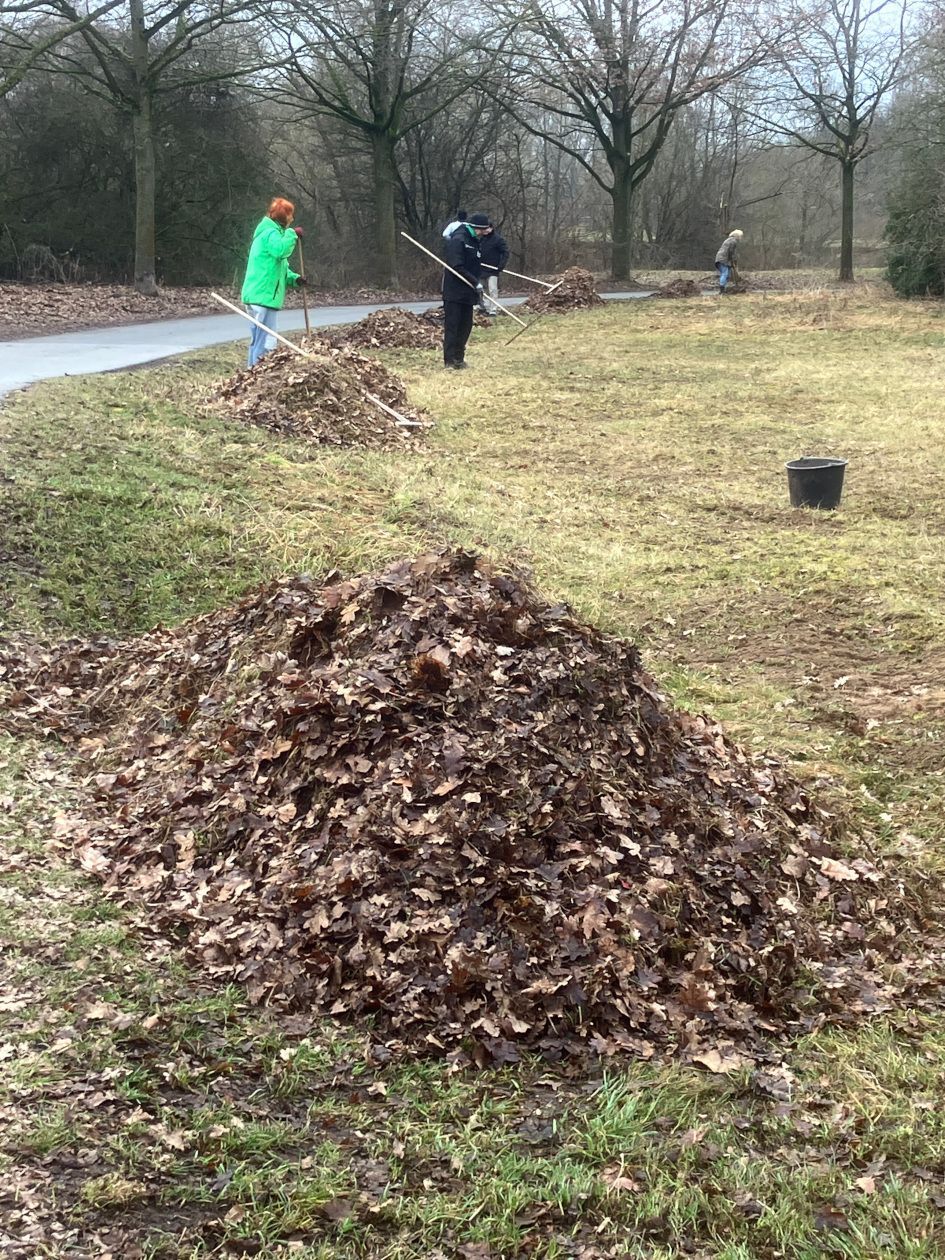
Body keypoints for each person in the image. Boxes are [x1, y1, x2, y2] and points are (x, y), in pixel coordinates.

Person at [240, 197, 307, 367]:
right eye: (290, 216)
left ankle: (251, 372)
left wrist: (295, 279)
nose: (291, 220)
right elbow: (280, 251)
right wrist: (292, 234)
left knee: (258, 339)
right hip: (263, 297)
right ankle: (257, 375)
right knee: (266, 341)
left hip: (260, 295)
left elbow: (279, 268)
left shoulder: (269, 234)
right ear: (284, 218)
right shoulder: (271, 234)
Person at [442, 211, 490, 369]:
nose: (485, 234)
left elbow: (473, 262)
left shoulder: (475, 240)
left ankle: (459, 358)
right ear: (477, 228)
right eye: (483, 231)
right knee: (453, 326)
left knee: (466, 326)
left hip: (468, 292)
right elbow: (457, 266)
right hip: (454, 291)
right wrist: (476, 282)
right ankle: (449, 361)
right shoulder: (459, 239)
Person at [478, 221, 509, 315]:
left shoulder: (498, 239)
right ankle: (483, 307)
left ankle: (493, 310)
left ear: (491, 228)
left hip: (493, 269)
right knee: (480, 289)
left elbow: (505, 253)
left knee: (492, 290)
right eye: (484, 229)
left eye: (487, 228)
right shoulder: (481, 240)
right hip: (481, 268)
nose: (485, 231)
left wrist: (501, 265)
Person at [715, 229, 743, 294]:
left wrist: (732, 261)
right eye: (740, 236)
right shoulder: (733, 241)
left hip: (721, 258)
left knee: (728, 275)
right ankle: (722, 290)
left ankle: (723, 289)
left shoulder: (729, 240)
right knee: (725, 273)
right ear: (737, 236)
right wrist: (733, 261)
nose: (741, 238)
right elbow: (731, 252)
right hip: (723, 259)